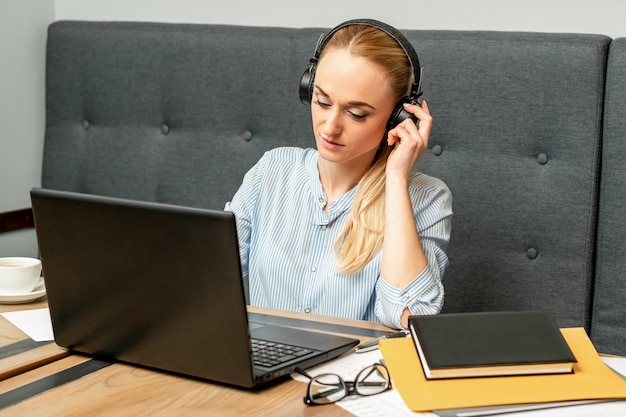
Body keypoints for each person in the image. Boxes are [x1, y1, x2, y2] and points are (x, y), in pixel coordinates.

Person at [225, 19, 452, 329]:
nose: (330, 126)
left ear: (397, 117)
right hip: (265, 371)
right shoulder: (271, 172)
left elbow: (412, 317)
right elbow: (206, 280)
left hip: (355, 377)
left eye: (357, 114)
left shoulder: (427, 199)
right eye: (321, 101)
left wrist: (396, 179)